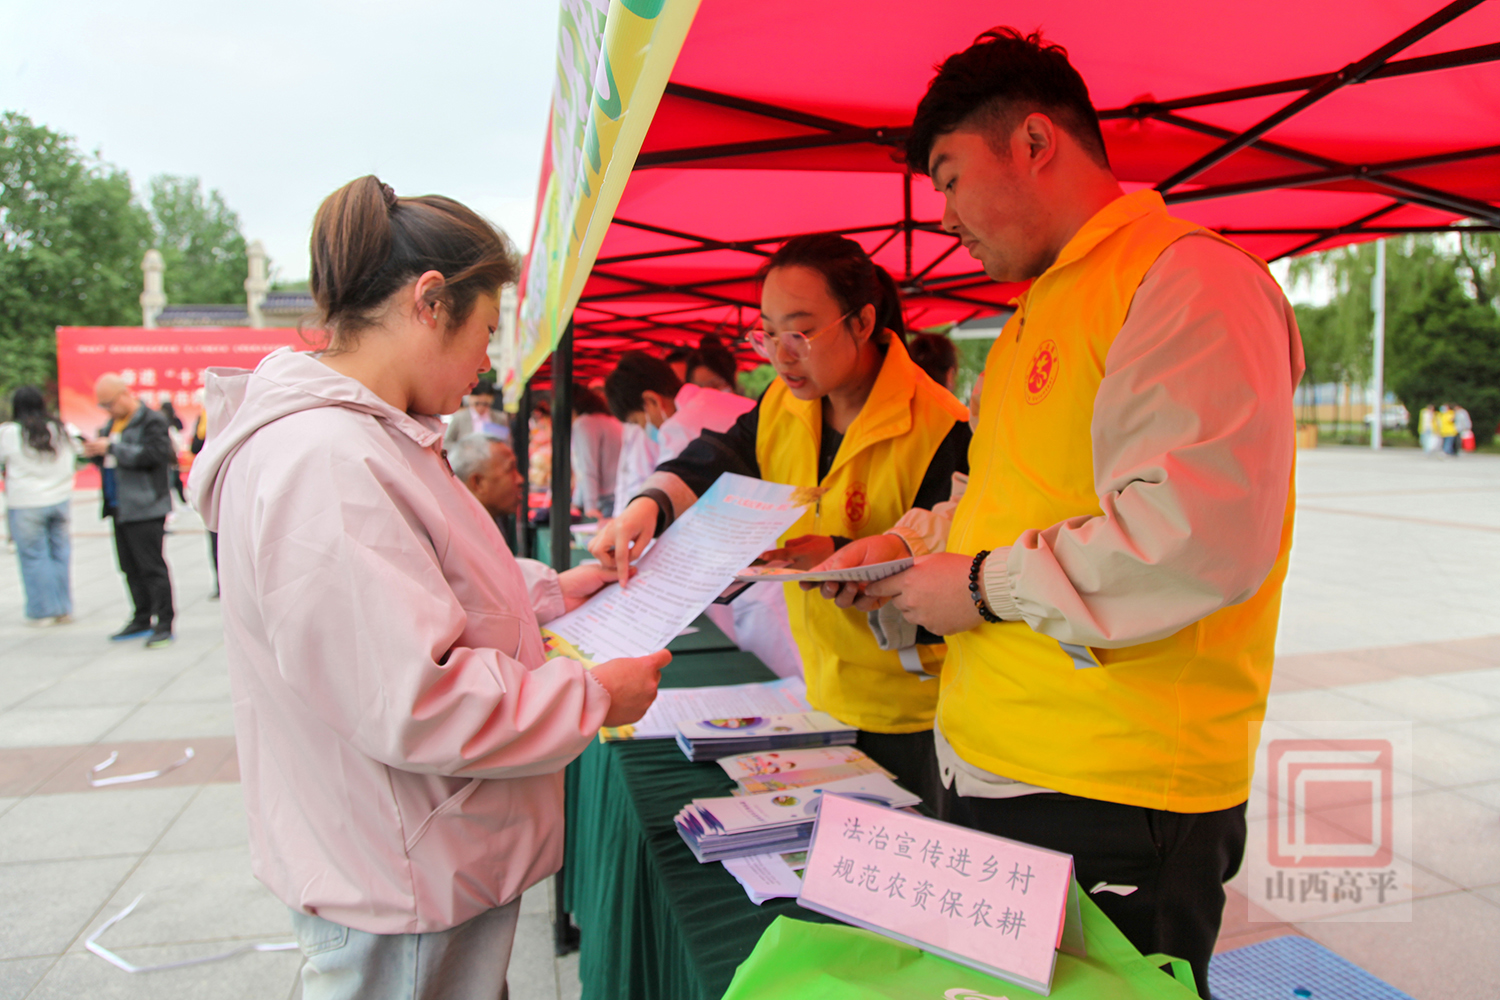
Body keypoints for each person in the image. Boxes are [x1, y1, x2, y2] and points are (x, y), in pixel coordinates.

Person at [815, 29, 1303, 996]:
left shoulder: (1185, 281)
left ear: (1035, 141)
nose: (945, 216)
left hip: (1113, 791)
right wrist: (906, 548)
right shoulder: (1038, 312)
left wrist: (980, 587)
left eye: (951, 178)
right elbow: (1002, 503)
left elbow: (1194, 537)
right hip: (996, 763)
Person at [187, 175, 667, 1000]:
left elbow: (425, 584)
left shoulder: (368, 436)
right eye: (485, 332)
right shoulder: (326, 458)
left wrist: (553, 592)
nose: (485, 362)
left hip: (412, 849)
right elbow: (412, 694)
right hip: (395, 870)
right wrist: (591, 698)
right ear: (430, 301)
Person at [591, 233, 971, 811]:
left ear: (862, 321)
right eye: (767, 334)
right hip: (816, 689)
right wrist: (650, 504)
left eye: (799, 333)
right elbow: (722, 454)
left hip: (914, 713)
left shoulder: (941, 426)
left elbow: (958, 571)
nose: (780, 355)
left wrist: (843, 555)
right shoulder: (786, 401)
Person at [602, 351, 802, 676]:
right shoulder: (715, 401)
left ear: (651, 401)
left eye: (640, 422)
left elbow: (681, 507)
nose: (647, 430)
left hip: (761, 560)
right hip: (777, 545)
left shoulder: (681, 426)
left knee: (781, 668)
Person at [84, 374, 177, 648]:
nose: (108, 410)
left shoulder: (152, 420)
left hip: (146, 504)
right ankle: (141, 617)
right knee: (129, 567)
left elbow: (155, 455)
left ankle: (164, 623)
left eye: (110, 404)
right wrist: (97, 451)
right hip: (119, 505)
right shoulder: (111, 425)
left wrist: (113, 447)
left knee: (152, 567)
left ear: (124, 394)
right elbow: (112, 459)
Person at [1, 387, 78, 626]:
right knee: (60, 554)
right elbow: (80, 452)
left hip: (26, 502)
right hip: (60, 499)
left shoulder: (10, 432)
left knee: (34, 557)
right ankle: (63, 608)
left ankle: (43, 610)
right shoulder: (60, 429)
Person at [451, 432, 526, 550]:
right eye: (510, 469)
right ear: (478, 483)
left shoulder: (492, 521)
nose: (520, 479)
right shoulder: (462, 542)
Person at [569, 383, 622, 519]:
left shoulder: (585, 423)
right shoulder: (610, 420)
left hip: (603, 503)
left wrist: (590, 506)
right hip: (615, 497)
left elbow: (588, 467)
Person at [444, 382, 508, 448]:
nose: (481, 407)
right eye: (477, 404)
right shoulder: (459, 418)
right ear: (470, 399)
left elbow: (506, 443)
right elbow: (447, 442)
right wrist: (462, 449)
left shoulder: (500, 418)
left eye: (485, 404)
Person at [159, 400, 188, 504]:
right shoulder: (169, 422)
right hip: (170, 455)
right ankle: (179, 501)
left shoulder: (164, 420)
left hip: (168, 455)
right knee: (172, 479)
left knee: (170, 480)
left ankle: (177, 501)